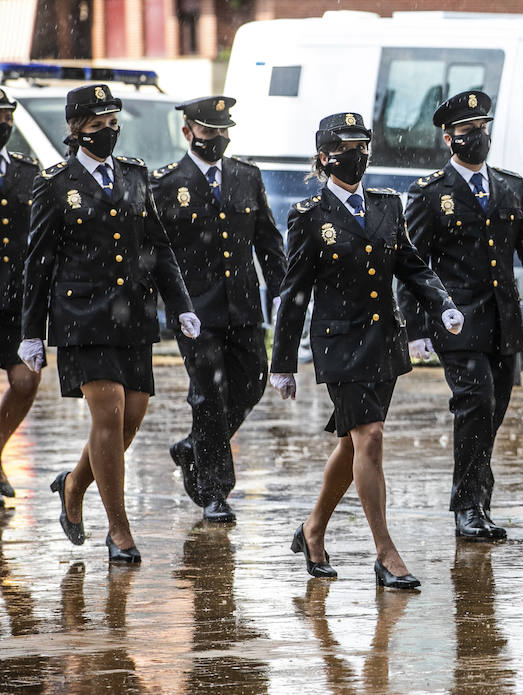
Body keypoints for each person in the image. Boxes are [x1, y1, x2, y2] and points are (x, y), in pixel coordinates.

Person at [270, 112, 462, 590]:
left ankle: (313, 530)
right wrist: (283, 362)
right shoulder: (309, 216)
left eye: (363, 144)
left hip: (384, 343)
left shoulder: (386, 205)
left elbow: (412, 265)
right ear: (325, 157)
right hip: (340, 346)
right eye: (348, 146)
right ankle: (385, 553)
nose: (358, 154)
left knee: (352, 442)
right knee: (370, 437)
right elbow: (295, 293)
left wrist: (442, 303)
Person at [22, 84, 201, 563]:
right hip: (82, 316)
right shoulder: (55, 183)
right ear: (77, 130)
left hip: (134, 315)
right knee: (110, 410)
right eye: (98, 126)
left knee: (132, 414)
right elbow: (38, 263)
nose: (109, 132)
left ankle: (74, 484)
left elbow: (158, 246)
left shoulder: (135, 175)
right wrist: (30, 333)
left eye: (112, 123)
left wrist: (180, 303)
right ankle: (119, 531)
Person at [399, 90, 523, 541]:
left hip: (504, 323)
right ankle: (467, 506)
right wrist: (416, 329)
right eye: (468, 132)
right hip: (458, 321)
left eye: (482, 129)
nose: (478, 138)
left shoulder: (510, 185)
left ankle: (478, 497)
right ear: (449, 139)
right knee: (476, 404)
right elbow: (412, 264)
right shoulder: (432, 194)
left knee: (494, 411)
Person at [152, 95, 285, 523]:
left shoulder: (247, 177)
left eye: (224, 131)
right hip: (197, 311)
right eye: (210, 132)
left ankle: (195, 447)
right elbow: (157, 251)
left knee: (252, 383)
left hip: (244, 307)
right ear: (188, 132)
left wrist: (281, 291)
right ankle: (214, 492)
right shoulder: (167, 183)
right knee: (208, 395)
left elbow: (267, 240)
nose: (219, 139)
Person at [0, 87, 42, 500]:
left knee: (26, 380)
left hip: (15, 300)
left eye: (7, 115)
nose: (4, 123)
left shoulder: (27, 171)